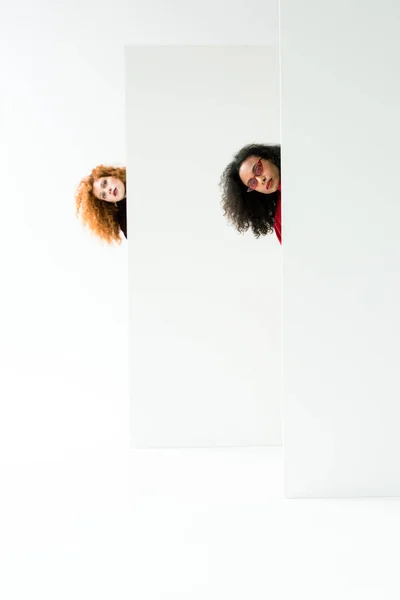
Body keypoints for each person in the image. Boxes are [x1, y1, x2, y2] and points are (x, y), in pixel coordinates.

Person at [219, 143, 281, 244]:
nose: (261, 180)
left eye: (258, 169)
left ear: (269, 158)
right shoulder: (280, 221)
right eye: (253, 183)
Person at [75, 165, 127, 244]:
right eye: (103, 195)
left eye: (105, 183)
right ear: (108, 201)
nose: (108, 190)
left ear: (113, 175)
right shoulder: (124, 219)